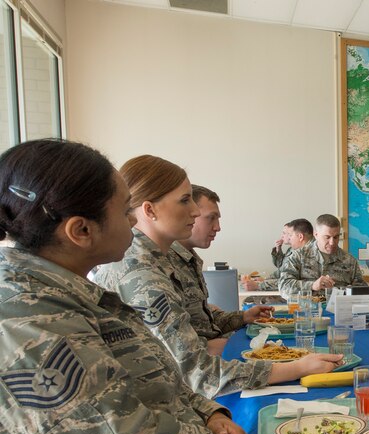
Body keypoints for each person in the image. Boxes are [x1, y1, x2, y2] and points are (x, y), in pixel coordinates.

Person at [0, 139, 247, 434]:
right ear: (80, 230)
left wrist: (211, 413)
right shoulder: (25, 321)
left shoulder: (68, 293)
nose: (134, 221)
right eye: (123, 211)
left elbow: (163, 379)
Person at [95, 155, 342, 398]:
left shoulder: (157, 258)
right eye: (185, 201)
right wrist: (297, 367)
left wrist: (240, 319)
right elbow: (198, 373)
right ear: (149, 210)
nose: (194, 211)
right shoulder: (140, 271)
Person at [170, 184, 270, 342]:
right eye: (211, 218)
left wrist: (244, 316)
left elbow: (203, 321)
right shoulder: (164, 263)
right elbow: (173, 341)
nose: (217, 227)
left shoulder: (189, 260)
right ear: (189, 214)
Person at [278, 213, 365, 296]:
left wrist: (346, 292)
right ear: (316, 234)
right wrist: (312, 285)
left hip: (338, 310)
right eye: (327, 237)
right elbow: (284, 287)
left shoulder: (349, 261)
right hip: (307, 309)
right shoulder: (298, 256)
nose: (332, 242)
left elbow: (361, 292)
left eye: (336, 237)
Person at [245, 218, 314, 291]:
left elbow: (288, 282)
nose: (289, 238)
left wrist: (259, 285)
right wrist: (265, 280)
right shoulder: (299, 251)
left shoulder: (309, 253)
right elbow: (282, 271)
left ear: (300, 237)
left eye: (290, 235)